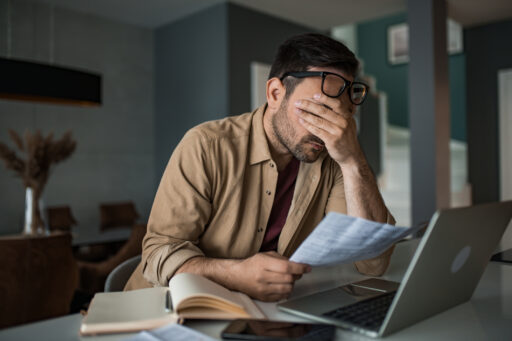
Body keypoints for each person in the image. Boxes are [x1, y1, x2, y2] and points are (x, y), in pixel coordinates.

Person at [125, 33, 395, 302]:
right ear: (275, 94)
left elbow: (371, 262)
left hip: (257, 313)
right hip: (160, 309)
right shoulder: (206, 145)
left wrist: (352, 160)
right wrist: (235, 274)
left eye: (341, 117)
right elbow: (158, 252)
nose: (327, 133)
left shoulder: (334, 159)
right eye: (318, 112)